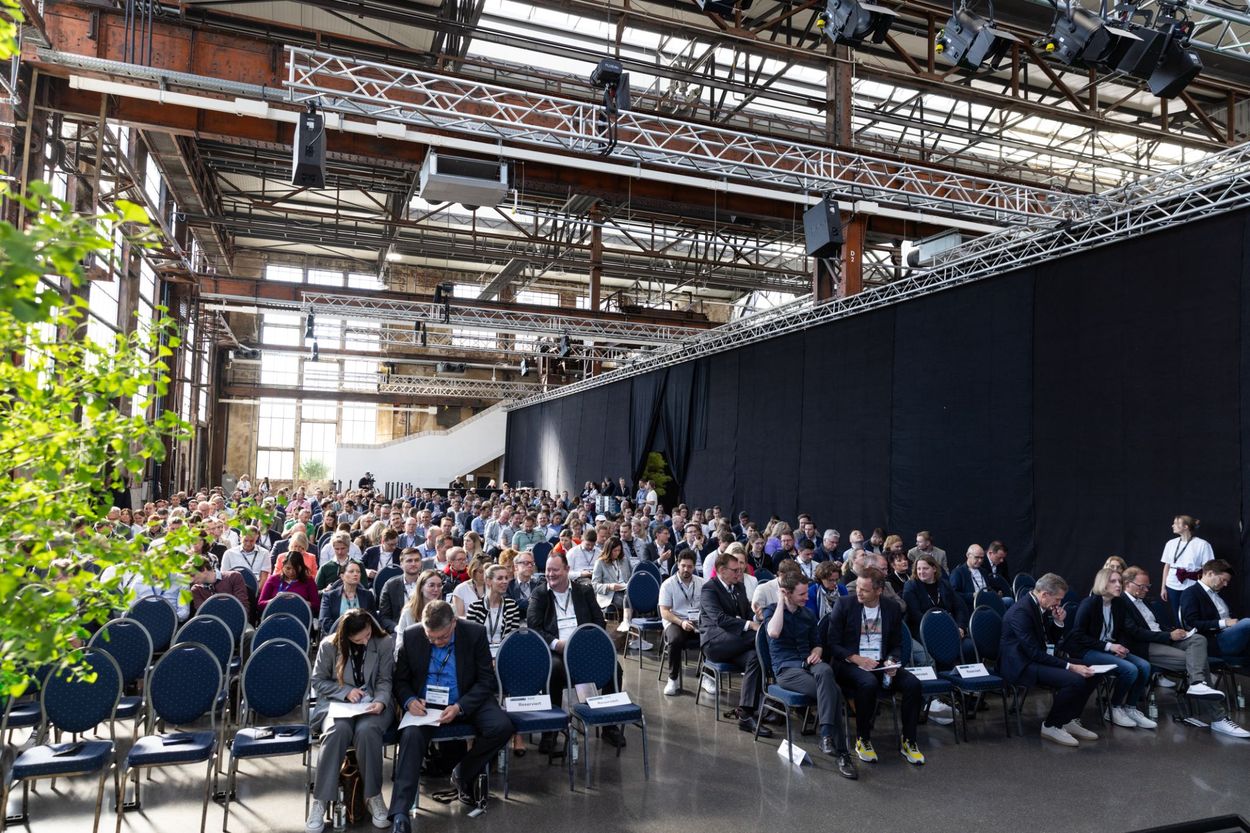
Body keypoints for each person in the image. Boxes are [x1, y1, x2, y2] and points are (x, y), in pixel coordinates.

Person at [389, 601, 512, 831]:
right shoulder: (412, 635)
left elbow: (486, 680)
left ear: (454, 623)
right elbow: (400, 680)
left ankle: (463, 772)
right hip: (426, 706)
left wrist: (460, 707)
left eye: (442, 638)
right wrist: (408, 700)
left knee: (502, 726)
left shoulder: (474, 633)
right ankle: (399, 813)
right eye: (431, 638)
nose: (436, 642)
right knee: (411, 736)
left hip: (466, 699)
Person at [1119, 566, 1244, 735]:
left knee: (1198, 639)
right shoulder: (1121, 602)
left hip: (1162, 639)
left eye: (1148, 586)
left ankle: (1198, 685)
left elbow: (1155, 625)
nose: (1146, 590)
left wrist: (1175, 632)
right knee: (1198, 662)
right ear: (1127, 583)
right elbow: (1135, 632)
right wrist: (1169, 635)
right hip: (1144, 646)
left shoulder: (1144, 601)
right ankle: (1218, 717)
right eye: (1142, 586)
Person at [821, 567, 926, 765]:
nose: (858, 592)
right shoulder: (844, 604)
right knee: (868, 683)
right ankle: (863, 738)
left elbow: (896, 644)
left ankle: (909, 740)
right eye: (858, 587)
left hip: (879, 662)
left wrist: (892, 661)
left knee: (913, 684)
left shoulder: (891, 608)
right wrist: (856, 659)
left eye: (864, 590)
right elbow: (832, 644)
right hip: (849, 663)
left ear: (879, 591)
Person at [526, 552, 625, 750]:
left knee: (615, 668)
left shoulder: (584, 591)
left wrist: (584, 644)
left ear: (567, 570)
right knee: (553, 670)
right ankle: (550, 730)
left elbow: (598, 621)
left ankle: (609, 725)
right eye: (547, 570)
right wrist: (557, 644)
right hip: (556, 650)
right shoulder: (540, 594)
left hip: (583, 649)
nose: (550, 574)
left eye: (555, 570)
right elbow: (534, 628)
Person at [309, 610, 394, 832]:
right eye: (359, 639)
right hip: (339, 704)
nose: (365, 641)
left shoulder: (383, 642)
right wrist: (345, 691)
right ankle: (320, 801)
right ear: (346, 637)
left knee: (367, 732)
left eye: (367, 634)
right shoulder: (329, 646)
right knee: (336, 732)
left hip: (373, 703)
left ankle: (373, 796)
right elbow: (318, 681)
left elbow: (385, 680)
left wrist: (382, 701)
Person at [765, 572, 857, 777]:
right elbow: (773, 632)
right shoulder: (772, 610)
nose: (807, 597)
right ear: (787, 593)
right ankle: (842, 753)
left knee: (825, 669)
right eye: (802, 594)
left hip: (808, 664)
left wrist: (817, 652)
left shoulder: (807, 615)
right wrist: (780, 601)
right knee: (834, 692)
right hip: (787, 670)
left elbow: (817, 644)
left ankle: (826, 737)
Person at [999, 573, 1099, 746]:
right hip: (1021, 665)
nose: (1059, 603)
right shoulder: (1021, 612)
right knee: (1075, 679)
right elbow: (1033, 653)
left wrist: (1059, 622)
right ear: (1044, 594)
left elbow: (1049, 641)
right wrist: (1070, 666)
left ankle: (1068, 719)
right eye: (1058, 599)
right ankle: (1051, 725)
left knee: (1093, 672)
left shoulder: (1039, 606)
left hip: (1037, 658)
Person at [1062, 568, 1157, 729]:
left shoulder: (1118, 603)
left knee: (1144, 666)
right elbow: (1078, 635)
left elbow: (1122, 631)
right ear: (1103, 583)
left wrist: (1121, 648)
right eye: (1113, 581)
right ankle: (1114, 708)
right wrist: (1109, 646)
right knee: (1130, 669)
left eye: (1119, 581)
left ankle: (1131, 708)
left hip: (1108, 649)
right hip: (1086, 650)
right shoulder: (1090, 604)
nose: (1118, 585)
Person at [700, 550, 770, 737]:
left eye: (740, 570)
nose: (739, 574)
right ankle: (771, 699)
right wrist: (751, 624)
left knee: (755, 657)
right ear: (722, 571)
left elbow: (747, 614)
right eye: (735, 570)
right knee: (761, 637)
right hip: (715, 643)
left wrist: (756, 616)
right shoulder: (709, 589)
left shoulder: (739, 587)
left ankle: (746, 714)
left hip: (737, 643)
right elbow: (720, 619)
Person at [1180, 559, 1250, 663]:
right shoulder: (1190, 593)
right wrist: (1225, 623)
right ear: (1210, 573)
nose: (1225, 584)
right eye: (1223, 580)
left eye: (1227, 581)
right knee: (1247, 623)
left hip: (1230, 635)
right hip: (1214, 641)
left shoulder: (1217, 592)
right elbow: (1192, 623)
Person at [901, 554, 970, 656]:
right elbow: (914, 614)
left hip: (948, 627)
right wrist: (941, 627)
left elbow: (959, 607)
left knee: (969, 647)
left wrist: (960, 627)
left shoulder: (944, 584)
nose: (921, 572)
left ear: (934, 569)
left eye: (925, 568)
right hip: (924, 629)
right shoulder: (911, 586)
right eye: (918, 569)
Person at [657, 551, 704, 696]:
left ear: (694, 566)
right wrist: (681, 622)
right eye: (683, 566)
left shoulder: (702, 583)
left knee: (712, 636)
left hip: (697, 621)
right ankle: (673, 678)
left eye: (689, 566)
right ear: (678, 564)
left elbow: (708, 607)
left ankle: (708, 676)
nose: (686, 569)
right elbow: (664, 611)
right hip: (675, 621)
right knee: (675, 639)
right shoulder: (668, 584)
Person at [1161, 514, 1214, 619]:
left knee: (1193, 613)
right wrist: (1163, 587)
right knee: (1177, 613)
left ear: (1186, 527)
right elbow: (1167, 566)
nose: (1172, 525)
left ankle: (1196, 634)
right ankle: (1180, 632)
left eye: (1176, 523)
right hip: (1172, 583)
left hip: (1193, 584)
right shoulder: (1170, 543)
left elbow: (1208, 568)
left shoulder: (1202, 544)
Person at [465, 564, 522, 658]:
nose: (505, 582)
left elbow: (514, 636)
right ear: (488, 581)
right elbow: (471, 639)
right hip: (481, 656)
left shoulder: (512, 605)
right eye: (500, 578)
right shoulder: (475, 607)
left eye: (506, 578)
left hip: (506, 655)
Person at [395, 569, 445, 653]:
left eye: (439, 585)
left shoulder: (446, 610)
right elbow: (399, 646)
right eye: (431, 585)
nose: (436, 589)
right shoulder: (408, 612)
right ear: (421, 587)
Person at [320, 560, 377, 635]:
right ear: (342, 576)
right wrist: (346, 635)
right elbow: (325, 622)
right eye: (351, 571)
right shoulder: (329, 596)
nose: (355, 574)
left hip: (363, 637)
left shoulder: (368, 595)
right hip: (337, 636)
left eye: (358, 572)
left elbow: (373, 620)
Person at [257, 550, 320, 617]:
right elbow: (260, 604)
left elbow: (316, 605)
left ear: (301, 567)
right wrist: (275, 600)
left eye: (295, 568)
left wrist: (299, 602)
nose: (291, 572)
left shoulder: (308, 581)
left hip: (299, 617)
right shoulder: (273, 579)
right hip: (275, 616)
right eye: (288, 568)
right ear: (283, 566)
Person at [378, 549, 425, 634]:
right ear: (401, 564)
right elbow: (384, 617)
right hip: (399, 631)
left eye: (417, 560)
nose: (413, 563)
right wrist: (398, 628)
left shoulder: (428, 583)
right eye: (409, 561)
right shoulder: (390, 585)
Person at [187, 558, 251, 616]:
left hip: (238, 620)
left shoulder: (233, 577)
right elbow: (202, 613)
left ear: (204, 569)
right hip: (214, 625)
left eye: (193, 575)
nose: (191, 580)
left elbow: (243, 606)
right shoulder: (196, 589)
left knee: (250, 629)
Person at [591, 536, 633, 620]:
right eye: (615, 551)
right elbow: (594, 585)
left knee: (632, 596)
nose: (617, 553)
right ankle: (627, 621)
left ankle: (629, 622)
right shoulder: (600, 562)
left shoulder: (624, 560)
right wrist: (609, 586)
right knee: (628, 598)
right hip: (610, 594)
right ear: (609, 550)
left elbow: (631, 577)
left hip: (625, 589)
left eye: (619, 550)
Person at [949, 544, 991, 608]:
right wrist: (972, 595)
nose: (980, 560)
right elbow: (953, 595)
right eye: (977, 557)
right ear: (968, 555)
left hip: (987, 604)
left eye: (982, 558)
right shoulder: (958, 573)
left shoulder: (984, 572)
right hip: (970, 607)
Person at [450, 553, 490, 618]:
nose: (484, 575)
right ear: (473, 571)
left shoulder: (494, 587)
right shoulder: (461, 589)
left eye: (487, 572)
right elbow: (459, 617)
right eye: (481, 572)